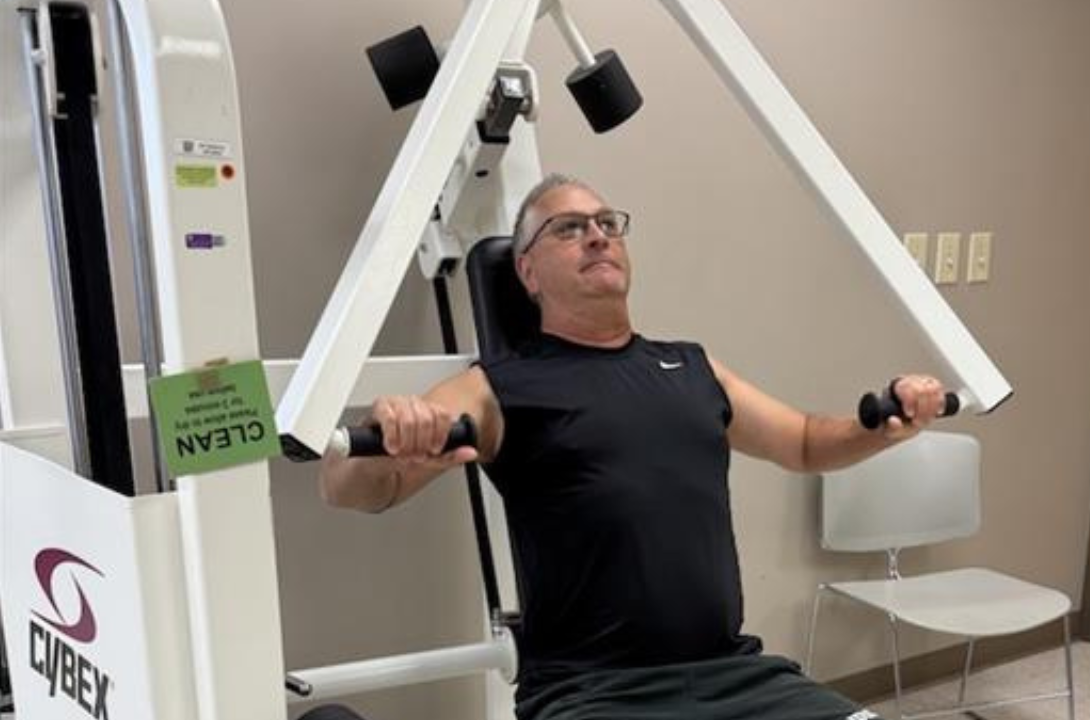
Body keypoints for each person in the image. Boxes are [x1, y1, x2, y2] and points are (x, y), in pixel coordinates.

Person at [320, 174, 949, 720]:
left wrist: (885, 422)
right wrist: (391, 434)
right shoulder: (497, 388)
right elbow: (353, 487)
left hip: (740, 677)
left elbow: (808, 443)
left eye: (606, 223)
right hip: (594, 695)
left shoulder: (693, 367)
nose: (597, 235)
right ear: (527, 271)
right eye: (568, 228)